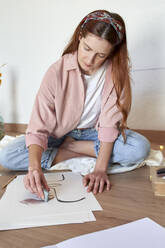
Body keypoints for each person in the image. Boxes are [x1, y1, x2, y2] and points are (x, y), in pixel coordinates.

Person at [0, 10, 150, 199]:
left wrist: (100, 169)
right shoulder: (57, 71)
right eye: (87, 48)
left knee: (139, 148)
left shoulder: (116, 74)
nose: (90, 60)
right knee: (7, 156)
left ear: (111, 52)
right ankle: (71, 150)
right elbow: (38, 127)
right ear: (80, 37)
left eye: (100, 55)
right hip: (59, 135)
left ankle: (73, 149)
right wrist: (34, 168)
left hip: (95, 133)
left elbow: (109, 125)